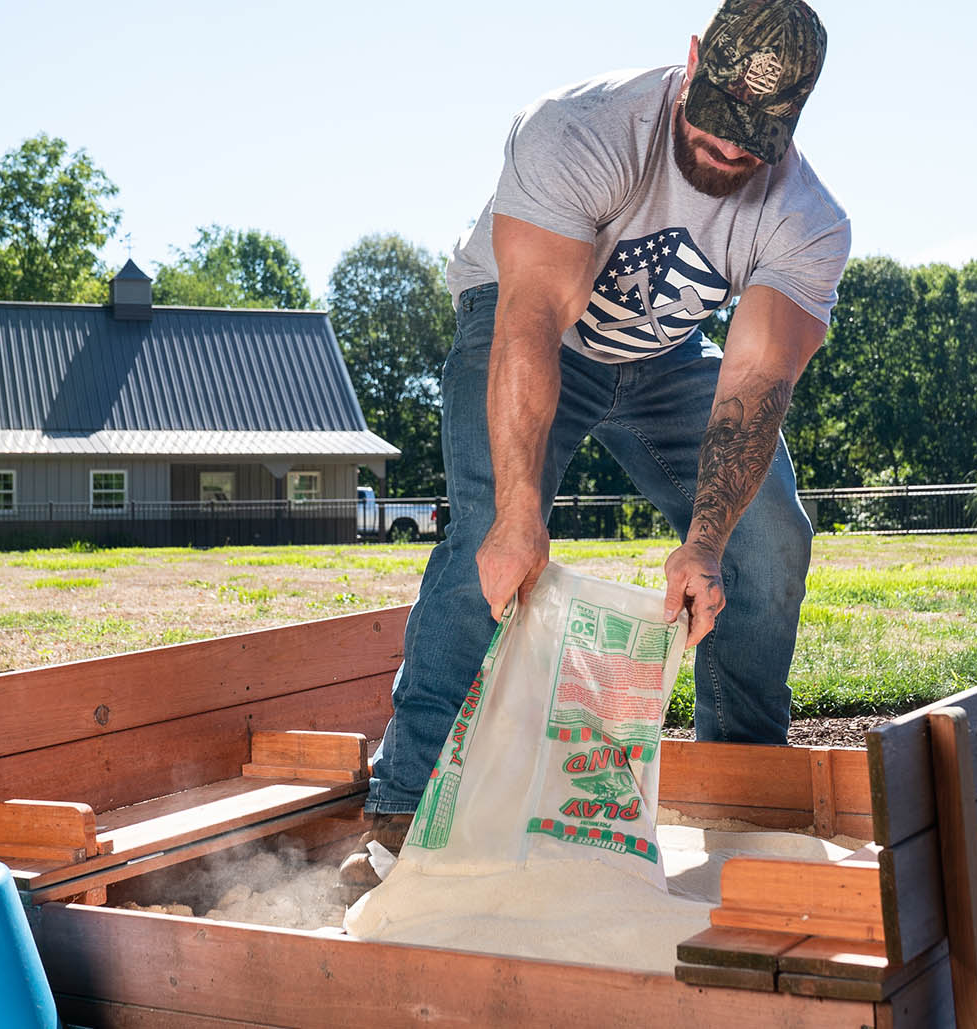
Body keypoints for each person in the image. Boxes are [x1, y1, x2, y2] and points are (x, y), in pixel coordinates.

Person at [341, 0, 849, 890]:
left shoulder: (809, 221)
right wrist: (518, 512)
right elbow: (531, 322)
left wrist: (705, 543)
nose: (730, 152)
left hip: (666, 361)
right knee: (486, 551)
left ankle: (746, 796)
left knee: (768, 540)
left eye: (755, 139)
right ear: (690, 60)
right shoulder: (576, 129)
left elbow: (755, 384)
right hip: (529, 331)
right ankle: (402, 816)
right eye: (717, 121)